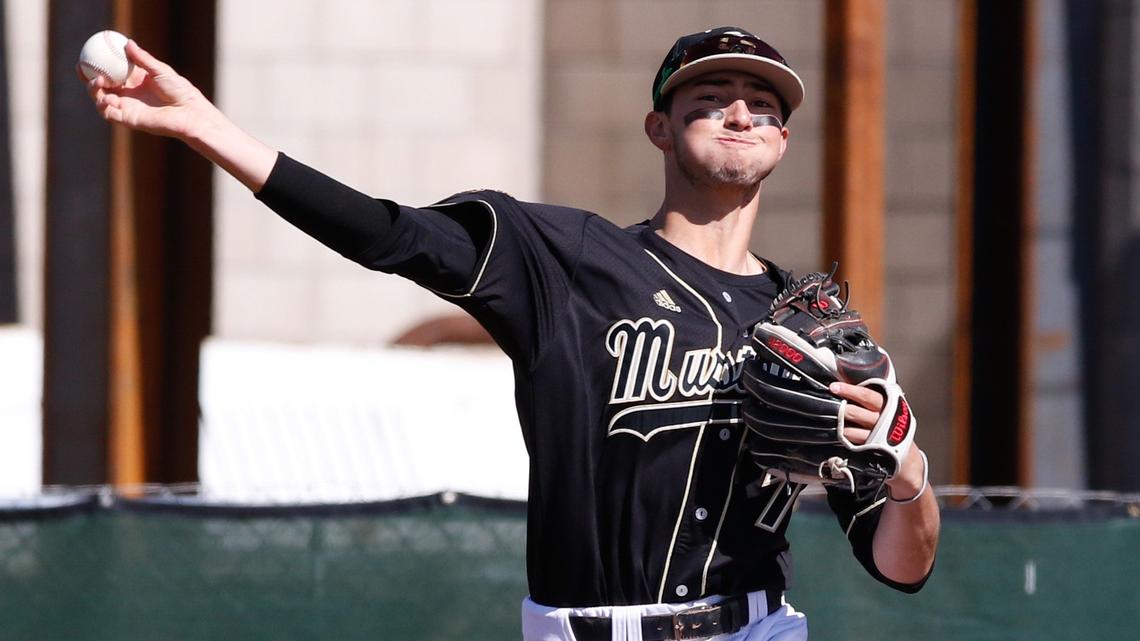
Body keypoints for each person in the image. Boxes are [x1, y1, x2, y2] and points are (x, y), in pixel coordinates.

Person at [84, 25, 939, 641]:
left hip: (754, 626)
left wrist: (907, 473)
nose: (740, 114)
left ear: (783, 139)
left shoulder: (809, 326)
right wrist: (209, 128)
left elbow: (903, 566)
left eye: (762, 105)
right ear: (660, 128)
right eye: (709, 100)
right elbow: (387, 234)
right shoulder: (563, 259)